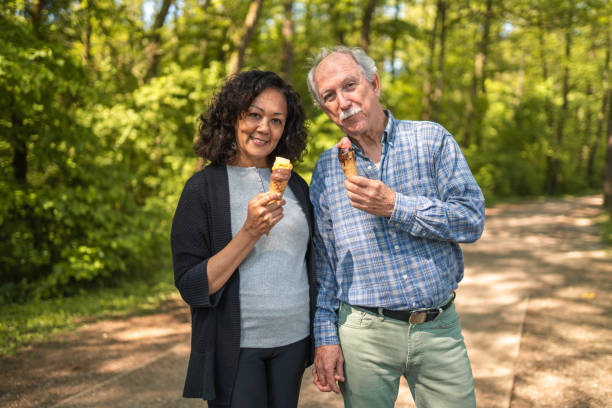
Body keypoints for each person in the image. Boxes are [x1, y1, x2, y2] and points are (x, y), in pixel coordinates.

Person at [306, 46, 485, 408]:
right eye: (329, 96)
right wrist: (325, 338)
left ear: (374, 84)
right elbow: (324, 265)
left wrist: (395, 206)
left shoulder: (431, 140)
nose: (343, 101)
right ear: (325, 109)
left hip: (438, 327)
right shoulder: (327, 170)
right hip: (363, 333)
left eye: (350, 85)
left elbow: (471, 219)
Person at [171, 70, 316, 408]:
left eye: (277, 120)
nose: (264, 128)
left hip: (293, 342)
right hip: (235, 347)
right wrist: (249, 233)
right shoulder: (203, 189)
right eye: (254, 114)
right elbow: (191, 286)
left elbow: (310, 264)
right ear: (233, 115)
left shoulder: (297, 186)